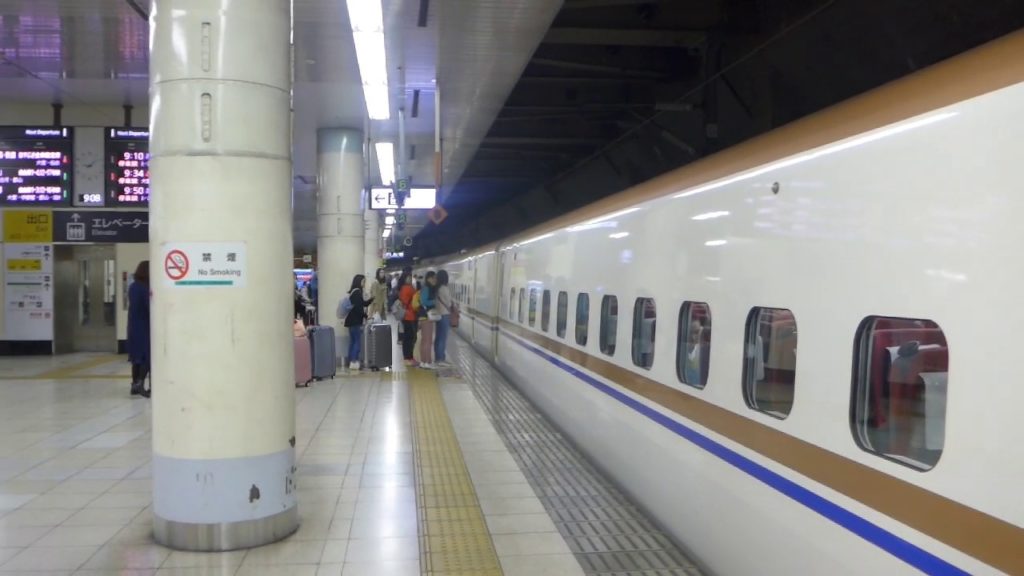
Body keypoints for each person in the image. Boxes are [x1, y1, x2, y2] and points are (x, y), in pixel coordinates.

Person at [127, 261, 151, 398]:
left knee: (136, 358)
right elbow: (149, 308)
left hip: (133, 325)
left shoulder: (133, 286)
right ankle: (141, 383)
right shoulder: (144, 288)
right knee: (147, 356)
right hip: (144, 326)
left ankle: (134, 385)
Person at [343, 274, 373, 370]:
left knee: (352, 341)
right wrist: (366, 316)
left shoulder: (354, 292)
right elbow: (358, 308)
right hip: (355, 320)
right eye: (363, 281)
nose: (364, 283)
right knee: (357, 342)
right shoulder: (357, 292)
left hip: (351, 320)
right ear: (359, 282)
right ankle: (354, 361)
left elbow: (362, 303)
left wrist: (370, 300)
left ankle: (350, 361)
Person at [398, 272, 419, 366]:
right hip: (409, 316)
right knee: (410, 338)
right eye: (408, 277)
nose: (410, 279)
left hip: (409, 316)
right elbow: (407, 301)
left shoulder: (404, 288)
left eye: (410, 277)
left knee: (409, 338)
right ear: (404, 278)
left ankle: (409, 357)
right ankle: (408, 358)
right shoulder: (407, 288)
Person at [418, 271, 438, 369]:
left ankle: (424, 361)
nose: (435, 280)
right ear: (429, 278)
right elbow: (423, 301)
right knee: (428, 340)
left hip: (425, 316)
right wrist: (434, 301)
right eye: (433, 278)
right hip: (426, 316)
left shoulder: (426, 288)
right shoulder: (426, 288)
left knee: (425, 340)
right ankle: (427, 362)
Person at [434, 270, 453, 367]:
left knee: (438, 337)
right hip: (444, 315)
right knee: (442, 338)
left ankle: (438, 357)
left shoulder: (437, 288)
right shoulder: (444, 288)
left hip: (438, 315)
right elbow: (449, 303)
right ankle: (440, 359)